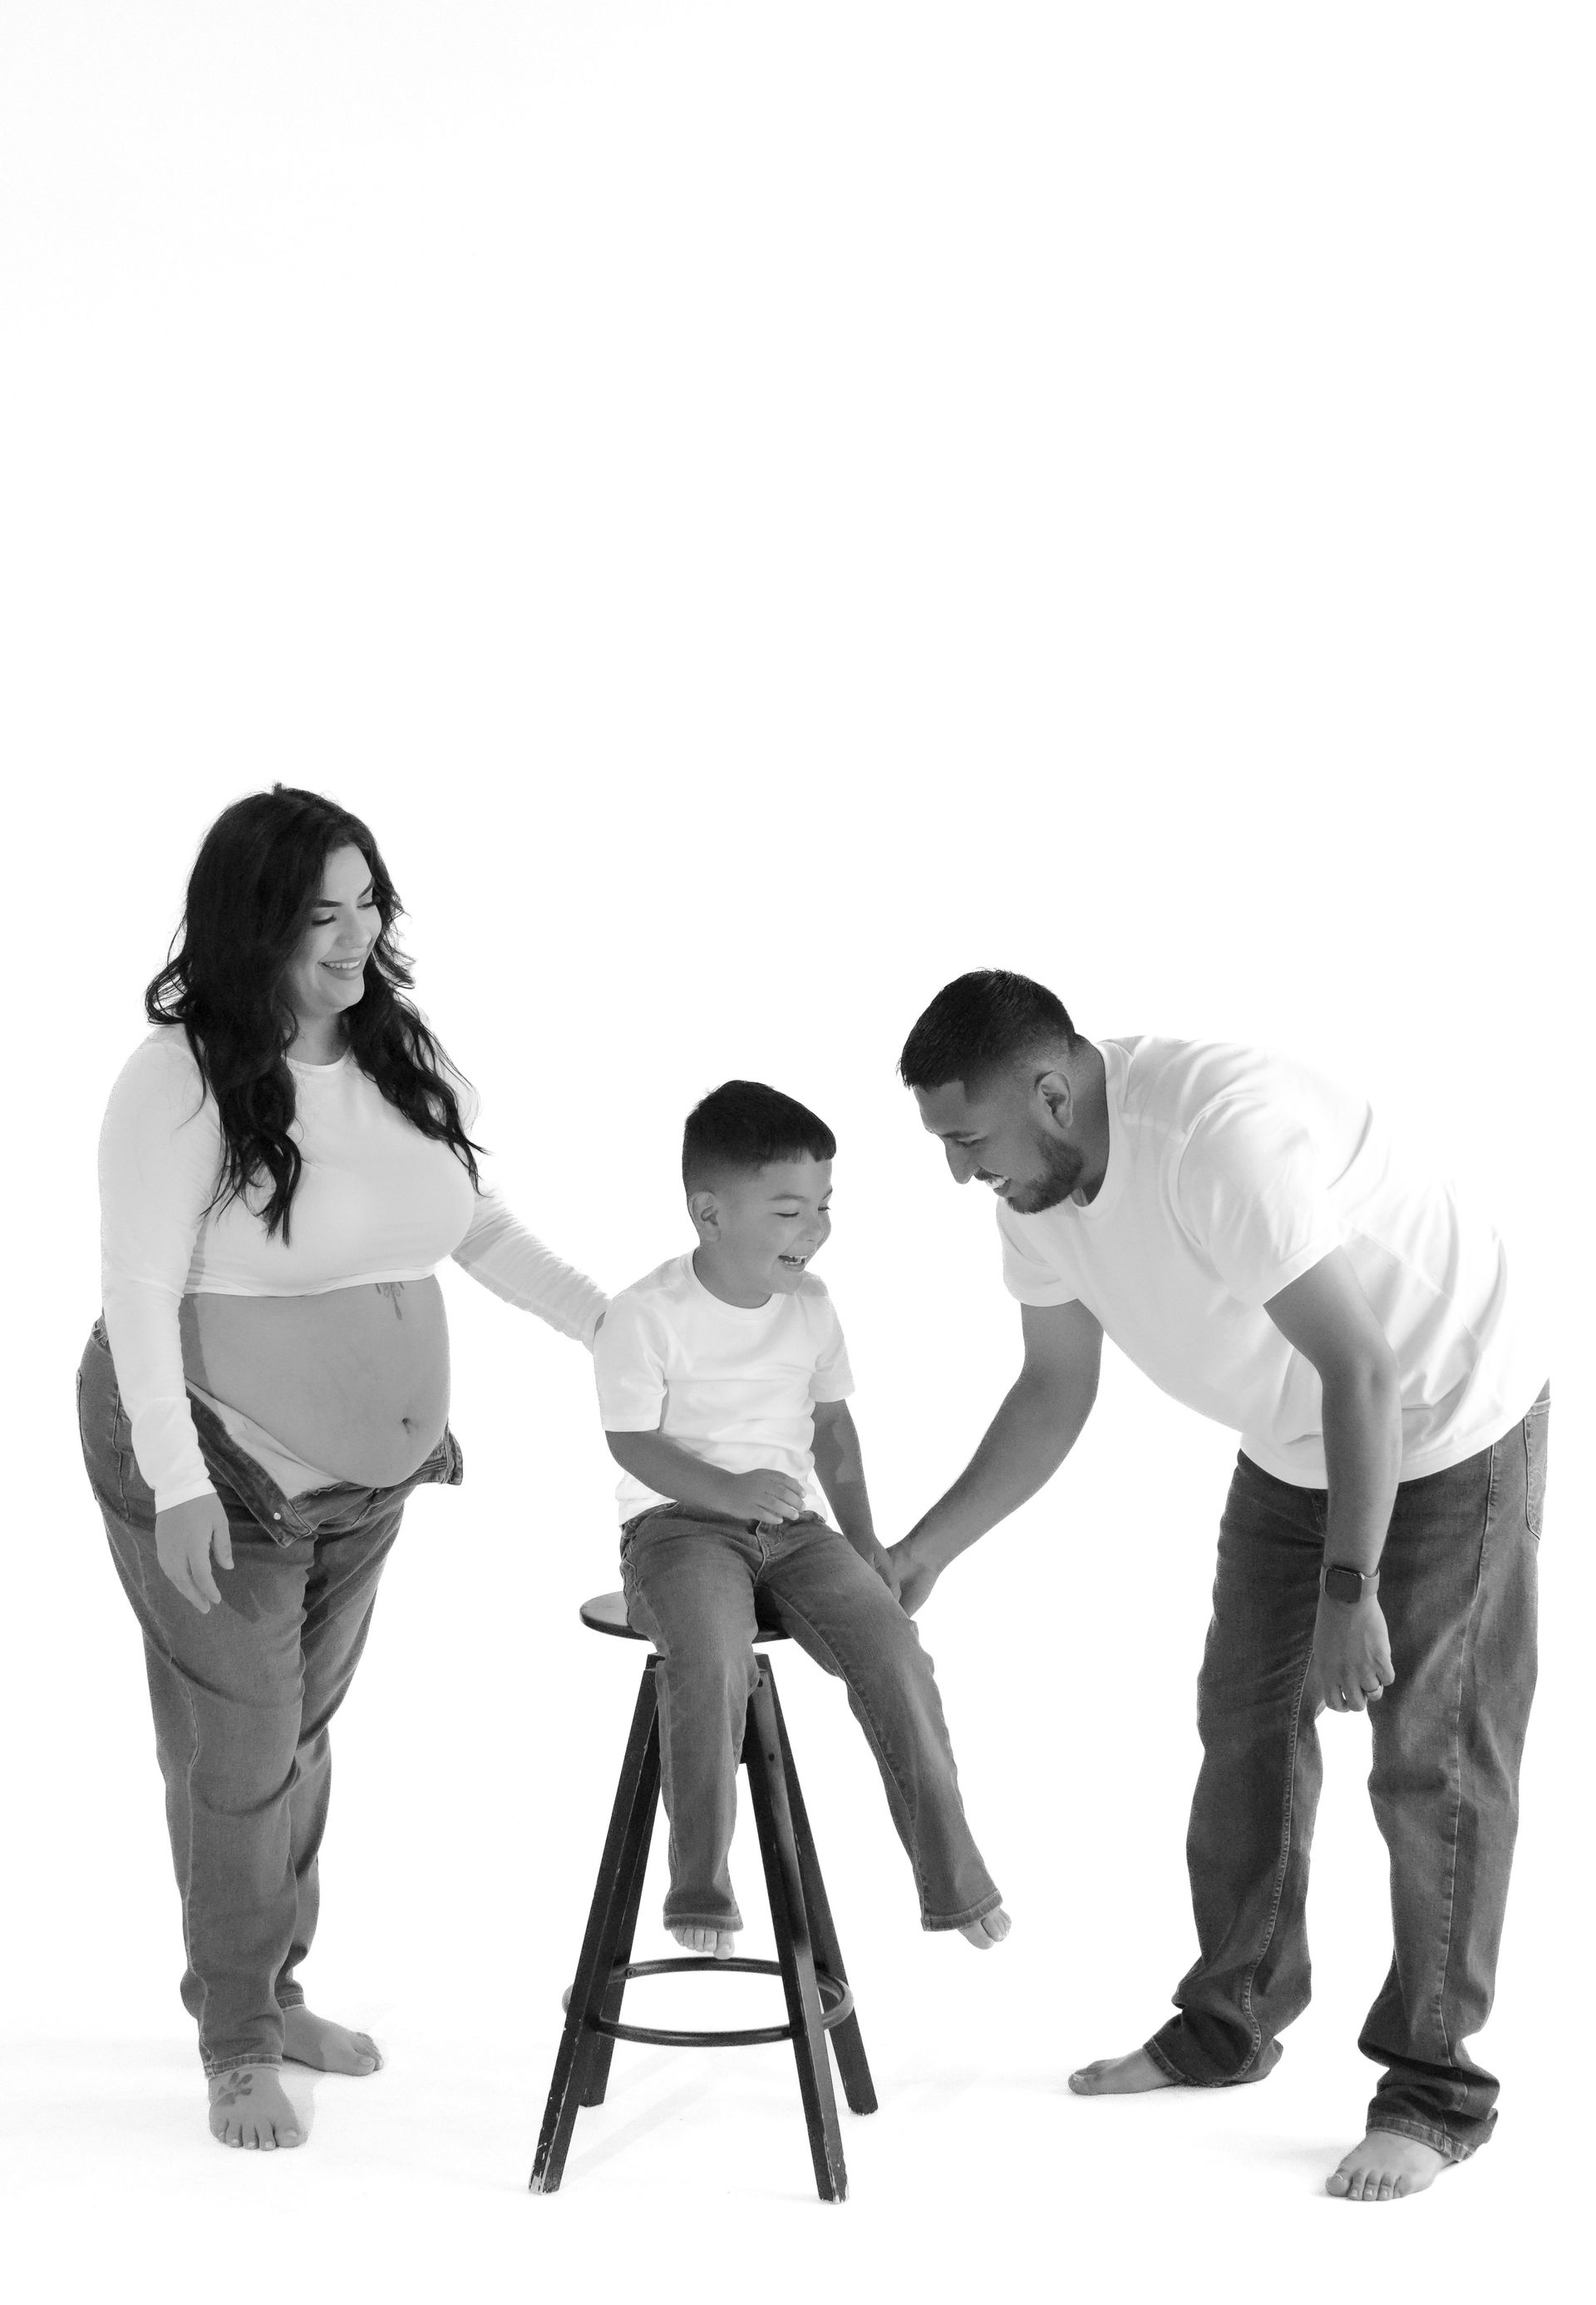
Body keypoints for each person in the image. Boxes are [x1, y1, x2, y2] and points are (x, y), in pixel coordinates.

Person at [889, 970, 1547, 2204]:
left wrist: (1352, 1592)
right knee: (1244, 1720)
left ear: (1051, 1089)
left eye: (966, 1138)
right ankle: (1230, 2019)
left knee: (1433, 1756)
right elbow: (1052, 1391)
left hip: (1447, 1413)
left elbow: (1366, 1368)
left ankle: (1435, 2088)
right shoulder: (1033, 1186)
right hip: (1299, 1438)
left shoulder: (1211, 1136)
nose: (960, 1171)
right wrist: (926, 1549)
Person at [78, 786, 608, 2152]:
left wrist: (613, 1323)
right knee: (245, 1752)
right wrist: (177, 1476)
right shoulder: (180, 1076)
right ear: (252, 922)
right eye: (324, 910)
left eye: (370, 901)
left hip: (368, 1481)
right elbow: (137, 1289)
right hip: (214, 1460)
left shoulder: (393, 1049)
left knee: (291, 1736)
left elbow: (474, 1227)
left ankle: (264, 1982)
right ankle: (239, 2038)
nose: (358, 932)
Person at [594, 1079, 1009, 1959]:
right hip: (676, 1527)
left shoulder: (813, 1305)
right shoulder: (644, 1314)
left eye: (824, 1206)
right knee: (711, 1655)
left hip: (792, 1529)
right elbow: (632, 1443)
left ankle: (954, 1876)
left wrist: (866, 1546)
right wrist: (724, 1489)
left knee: (892, 1648)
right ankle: (700, 1876)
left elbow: (833, 1433)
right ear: (710, 1212)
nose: (815, 1229)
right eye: (789, 1211)